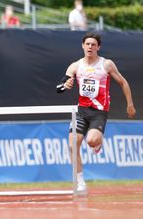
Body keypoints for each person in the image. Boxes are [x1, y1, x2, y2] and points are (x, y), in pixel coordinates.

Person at [56, 32, 136, 194]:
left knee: (91, 141)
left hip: (99, 112)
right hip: (81, 111)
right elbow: (60, 87)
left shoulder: (106, 65)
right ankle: (80, 182)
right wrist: (66, 85)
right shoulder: (75, 66)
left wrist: (130, 104)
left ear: (98, 47)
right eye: (87, 44)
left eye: (93, 44)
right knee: (72, 145)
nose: (90, 47)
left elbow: (123, 82)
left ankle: (97, 143)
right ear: (82, 46)